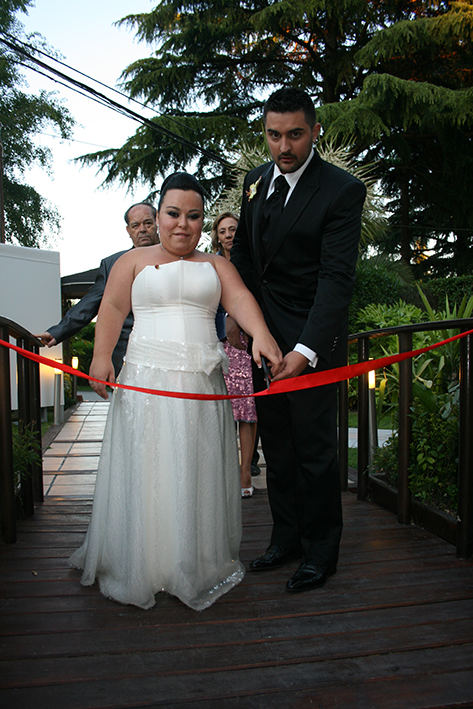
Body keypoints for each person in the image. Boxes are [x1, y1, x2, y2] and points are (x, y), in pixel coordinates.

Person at [69, 172, 282, 611]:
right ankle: (141, 561)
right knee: (149, 465)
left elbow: (240, 299)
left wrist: (261, 334)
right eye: (172, 214)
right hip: (146, 381)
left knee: (194, 463)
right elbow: (111, 306)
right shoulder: (133, 261)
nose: (182, 224)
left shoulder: (216, 265)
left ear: (202, 220)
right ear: (158, 214)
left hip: (201, 385)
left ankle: (192, 558)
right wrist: (100, 356)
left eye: (193, 215)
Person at [229, 88, 366, 593]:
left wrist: (305, 352)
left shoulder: (341, 190)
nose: (282, 146)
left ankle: (320, 553)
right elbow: (243, 253)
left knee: (314, 452)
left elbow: (336, 281)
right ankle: (284, 539)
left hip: (310, 343)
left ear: (314, 131)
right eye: (273, 135)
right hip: (263, 341)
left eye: (294, 134)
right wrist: (246, 320)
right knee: (279, 449)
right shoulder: (254, 182)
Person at [35, 202, 158, 376]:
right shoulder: (112, 264)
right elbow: (90, 302)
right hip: (126, 351)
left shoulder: (178, 259)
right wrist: (57, 331)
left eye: (148, 223)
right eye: (135, 225)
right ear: (128, 230)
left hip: (170, 347)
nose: (142, 229)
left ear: (157, 223)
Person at [211, 211, 258, 498]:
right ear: (217, 236)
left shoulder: (252, 263)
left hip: (247, 344)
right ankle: (223, 473)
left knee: (247, 412)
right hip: (217, 344)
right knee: (222, 412)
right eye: (223, 231)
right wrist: (227, 317)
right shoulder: (209, 265)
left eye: (233, 230)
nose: (229, 235)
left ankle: (244, 474)